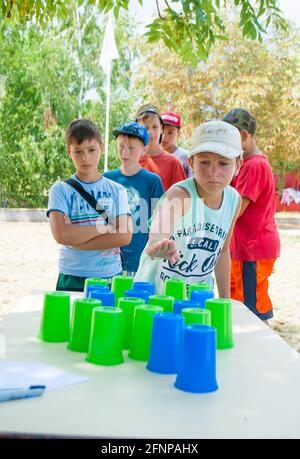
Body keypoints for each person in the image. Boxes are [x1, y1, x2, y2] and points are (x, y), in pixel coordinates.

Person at [134, 120, 242, 297]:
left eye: (223, 163)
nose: (213, 172)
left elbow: (222, 252)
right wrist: (159, 244)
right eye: (204, 162)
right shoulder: (179, 195)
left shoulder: (234, 200)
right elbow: (158, 232)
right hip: (155, 298)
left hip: (196, 299)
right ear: (191, 162)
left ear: (238, 165)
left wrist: (225, 301)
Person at [47, 118, 132, 292]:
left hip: (109, 275)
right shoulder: (60, 190)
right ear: (69, 152)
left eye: (91, 150)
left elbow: (124, 236)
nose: (85, 158)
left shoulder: (117, 190)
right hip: (72, 275)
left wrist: (76, 238)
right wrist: (108, 227)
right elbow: (61, 235)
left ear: (101, 148)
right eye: (78, 151)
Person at [223, 108, 280, 322]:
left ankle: (262, 352)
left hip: (252, 249)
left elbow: (236, 208)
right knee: (239, 306)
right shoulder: (247, 164)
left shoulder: (254, 165)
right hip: (245, 249)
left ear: (243, 136)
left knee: (252, 313)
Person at [104, 122, 164, 276]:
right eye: (121, 146)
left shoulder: (152, 181)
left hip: (140, 262)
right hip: (108, 261)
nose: (125, 153)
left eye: (131, 148)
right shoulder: (106, 179)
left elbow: (161, 221)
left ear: (144, 149)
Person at [134, 104, 186, 191]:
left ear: (161, 129)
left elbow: (183, 199)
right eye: (145, 128)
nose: (150, 132)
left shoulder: (173, 163)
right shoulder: (132, 160)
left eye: (155, 127)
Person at [161, 110, 193, 178]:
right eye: (162, 131)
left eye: (170, 133)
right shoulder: (149, 156)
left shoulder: (186, 157)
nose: (164, 137)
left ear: (178, 134)